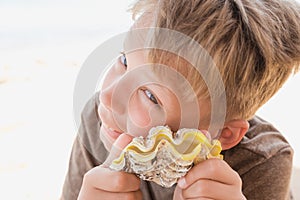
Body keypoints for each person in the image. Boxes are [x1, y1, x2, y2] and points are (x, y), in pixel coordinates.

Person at [61, 0, 300, 199]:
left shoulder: (261, 163)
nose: (108, 95)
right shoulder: (99, 119)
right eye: (124, 61)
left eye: (151, 96)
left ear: (222, 133)